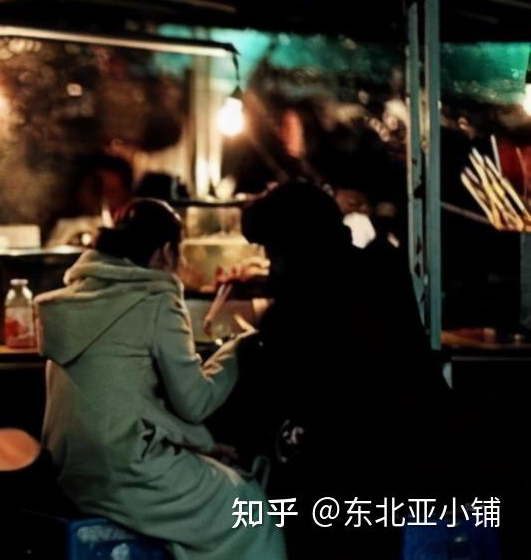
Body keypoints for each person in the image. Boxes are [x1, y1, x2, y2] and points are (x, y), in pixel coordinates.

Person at [36, 199, 287, 560]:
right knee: (249, 510)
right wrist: (236, 349)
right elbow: (194, 402)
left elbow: (126, 401)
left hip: (73, 473)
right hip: (131, 475)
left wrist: (201, 447)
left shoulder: (71, 301)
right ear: (164, 252)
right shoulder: (156, 299)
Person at [240, 182, 450, 558]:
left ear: (290, 244)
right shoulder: (383, 269)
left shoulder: (297, 306)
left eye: (271, 251)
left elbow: (281, 393)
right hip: (410, 461)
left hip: (342, 476)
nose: (271, 265)